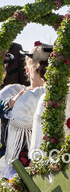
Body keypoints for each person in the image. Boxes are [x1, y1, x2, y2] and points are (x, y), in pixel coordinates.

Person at [1, 43, 51, 177]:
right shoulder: (13, 91)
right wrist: (11, 103)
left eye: (46, 66)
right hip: (13, 161)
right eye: (38, 66)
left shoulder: (57, 95)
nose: (43, 70)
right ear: (27, 69)